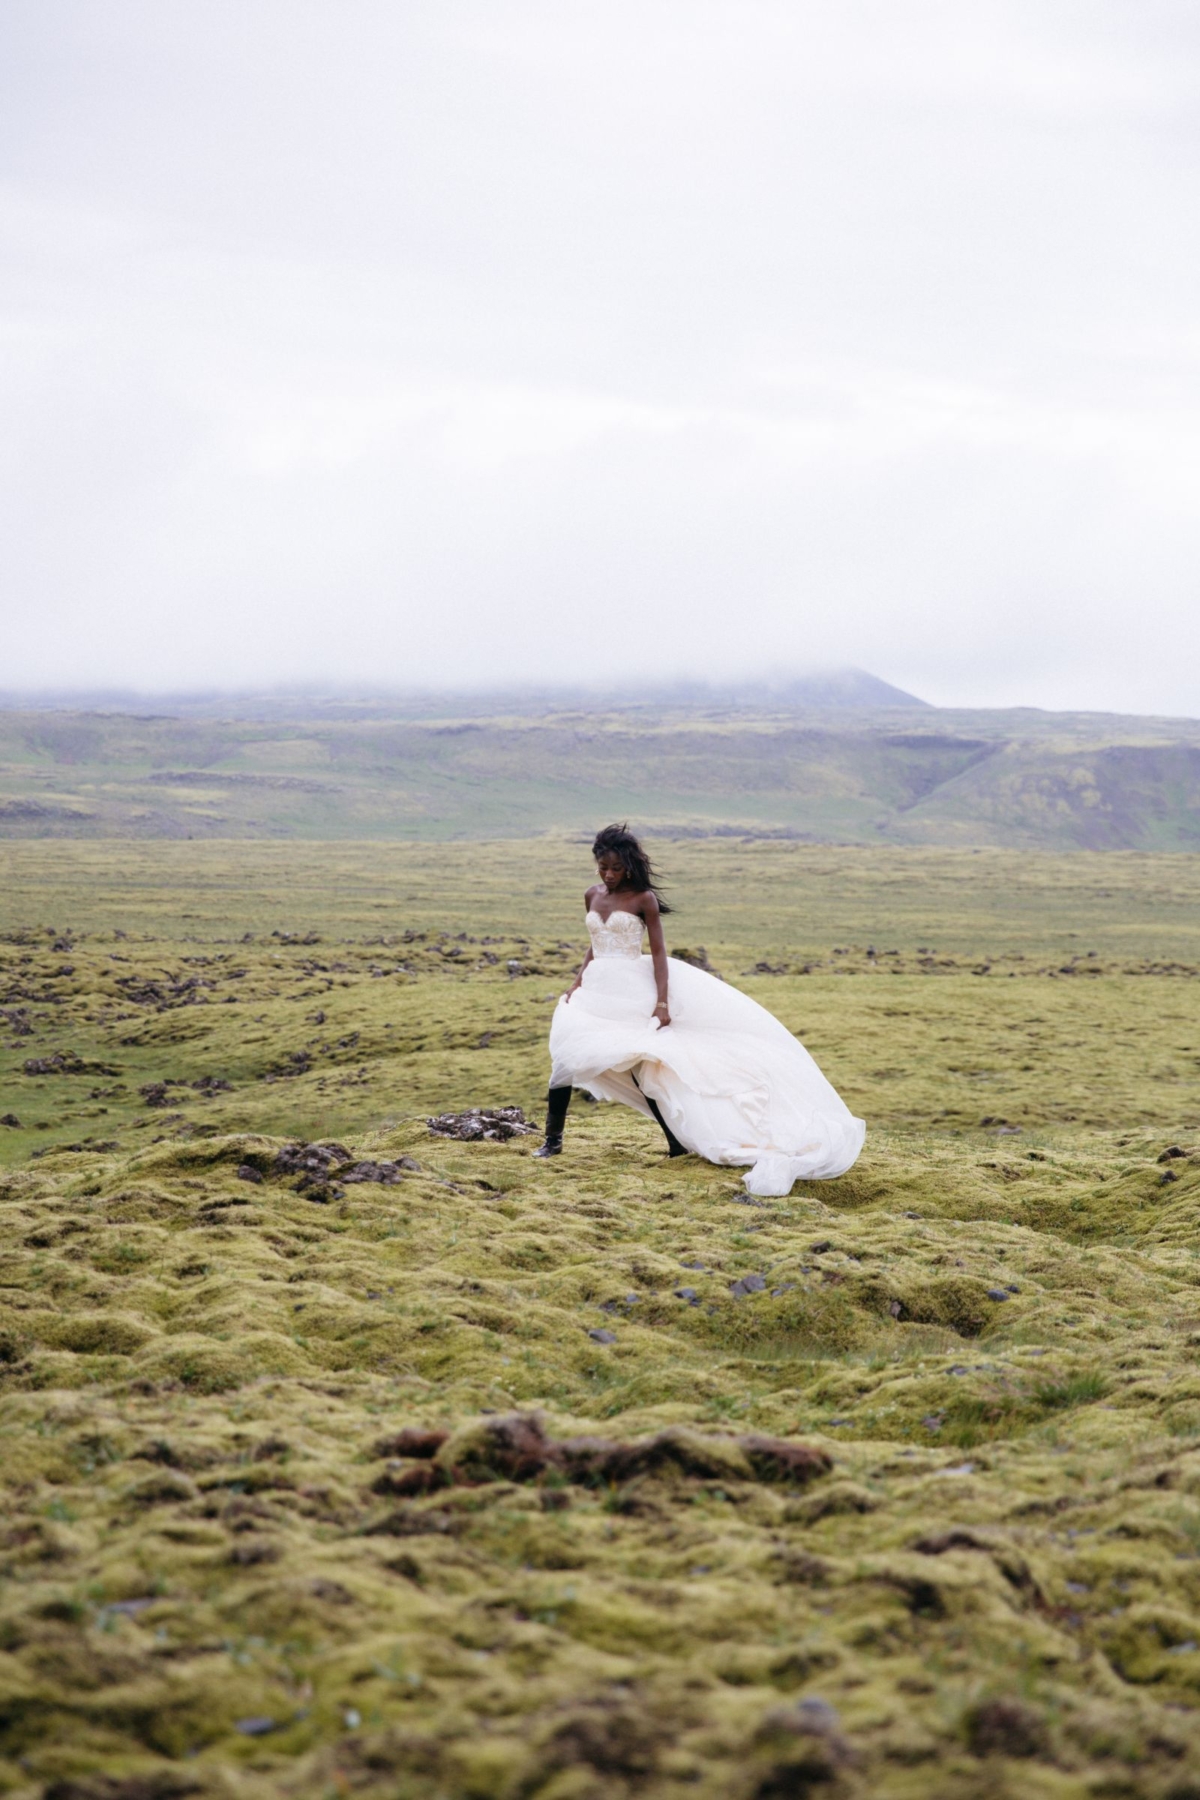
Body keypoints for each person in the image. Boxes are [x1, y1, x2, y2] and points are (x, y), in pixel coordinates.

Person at [534, 824, 865, 1197]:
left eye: (615, 869)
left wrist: (661, 1003)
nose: (608, 875)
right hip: (595, 991)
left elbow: (658, 953)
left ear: (627, 866)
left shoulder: (643, 899)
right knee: (565, 1056)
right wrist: (578, 980)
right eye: (603, 868)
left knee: (643, 1067)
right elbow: (594, 945)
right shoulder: (591, 895)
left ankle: (675, 1144)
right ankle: (553, 1141)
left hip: (632, 992)